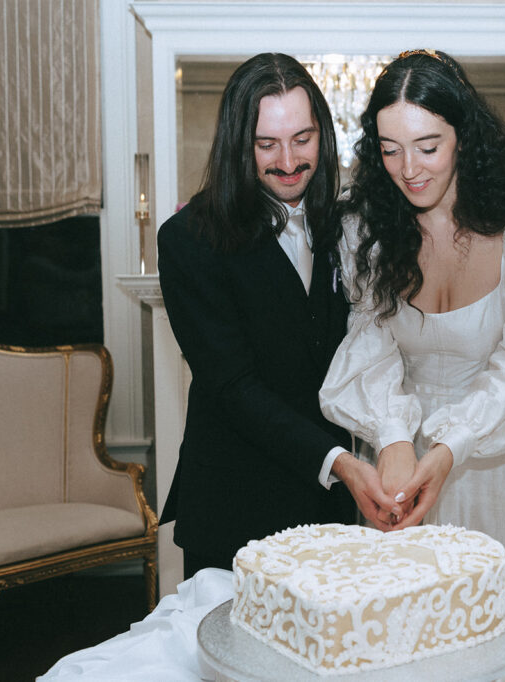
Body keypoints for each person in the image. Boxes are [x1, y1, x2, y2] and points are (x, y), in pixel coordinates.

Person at [320, 49, 505, 588]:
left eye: (428, 146)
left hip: (499, 456)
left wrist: (449, 449)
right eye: (390, 150)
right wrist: (394, 438)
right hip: (401, 462)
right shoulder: (366, 232)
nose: (409, 170)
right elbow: (371, 347)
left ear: (463, 135)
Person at [157, 53, 396, 579]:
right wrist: (342, 463)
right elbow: (233, 387)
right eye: (266, 144)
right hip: (235, 508)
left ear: (323, 136)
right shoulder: (188, 240)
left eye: (302, 139)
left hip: (328, 511)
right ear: (237, 144)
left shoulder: (344, 226)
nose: (288, 161)